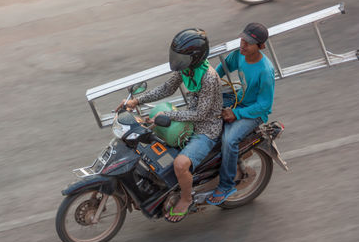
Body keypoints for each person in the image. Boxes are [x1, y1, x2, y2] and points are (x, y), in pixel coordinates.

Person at [118, 28, 223, 222]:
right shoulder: (187, 69)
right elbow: (166, 88)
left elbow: (201, 114)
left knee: (180, 164)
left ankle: (186, 198)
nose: (177, 60)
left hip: (206, 129)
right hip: (189, 121)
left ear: (195, 57)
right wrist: (136, 101)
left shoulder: (208, 77)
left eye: (181, 57)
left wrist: (168, 115)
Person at [207, 22, 275, 205]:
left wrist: (236, 114)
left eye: (248, 43)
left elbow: (265, 104)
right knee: (203, 110)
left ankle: (227, 184)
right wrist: (209, 84)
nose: (243, 45)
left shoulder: (265, 71)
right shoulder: (239, 55)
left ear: (261, 46)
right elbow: (223, 67)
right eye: (242, 40)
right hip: (239, 99)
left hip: (254, 112)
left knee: (229, 140)